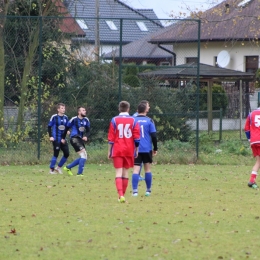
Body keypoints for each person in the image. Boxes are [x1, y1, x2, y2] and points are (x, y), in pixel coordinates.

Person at [108, 101, 140, 203]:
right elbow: (137, 138)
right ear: (128, 109)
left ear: (119, 109)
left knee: (118, 172)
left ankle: (120, 195)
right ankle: (121, 196)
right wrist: (136, 150)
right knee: (126, 172)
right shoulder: (133, 120)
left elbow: (111, 138)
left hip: (117, 149)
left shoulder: (114, 120)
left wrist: (109, 151)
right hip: (129, 149)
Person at [132, 102, 158, 197]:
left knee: (135, 169)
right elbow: (154, 136)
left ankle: (135, 191)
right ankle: (148, 191)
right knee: (147, 169)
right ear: (146, 110)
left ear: (138, 110)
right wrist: (155, 148)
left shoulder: (133, 120)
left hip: (136, 149)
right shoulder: (149, 121)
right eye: (148, 107)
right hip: (147, 149)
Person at [63, 106, 90, 176]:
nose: (85, 111)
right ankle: (79, 173)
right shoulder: (74, 119)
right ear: (79, 112)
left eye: (85, 110)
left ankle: (68, 167)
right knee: (83, 155)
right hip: (74, 138)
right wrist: (65, 134)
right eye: (83, 110)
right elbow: (66, 127)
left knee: (83, 156)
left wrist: (86, 136)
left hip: (80, 139)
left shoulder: (86, 120)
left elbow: (88, 131)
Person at [48, 103, 70, 174]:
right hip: (56, 139)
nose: (63, 109)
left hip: (63, 139)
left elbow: (67, 127)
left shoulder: (66, 117)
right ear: (58, 109)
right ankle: (51, 169)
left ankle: (58, 167)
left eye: (64, 108)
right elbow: (49, 127)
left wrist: (68, 131)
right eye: (62, 108)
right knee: (56, 154)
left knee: (66, 153)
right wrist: (50, 136)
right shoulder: (54, 117)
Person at [132, 100, 151, 181]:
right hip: (139, 143)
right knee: (139, 162)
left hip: (139, 143)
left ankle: (138, 175)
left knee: (140, 162)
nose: (149, 107)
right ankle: (137, 175)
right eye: (148, 105)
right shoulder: (136, 117)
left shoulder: (136, 117)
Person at [245, 108, 260, 189]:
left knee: (258, 161)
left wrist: (249, 139)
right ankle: (251, 181)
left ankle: (252, 181)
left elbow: (246, 128)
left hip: (254, 141)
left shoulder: (251, 114)